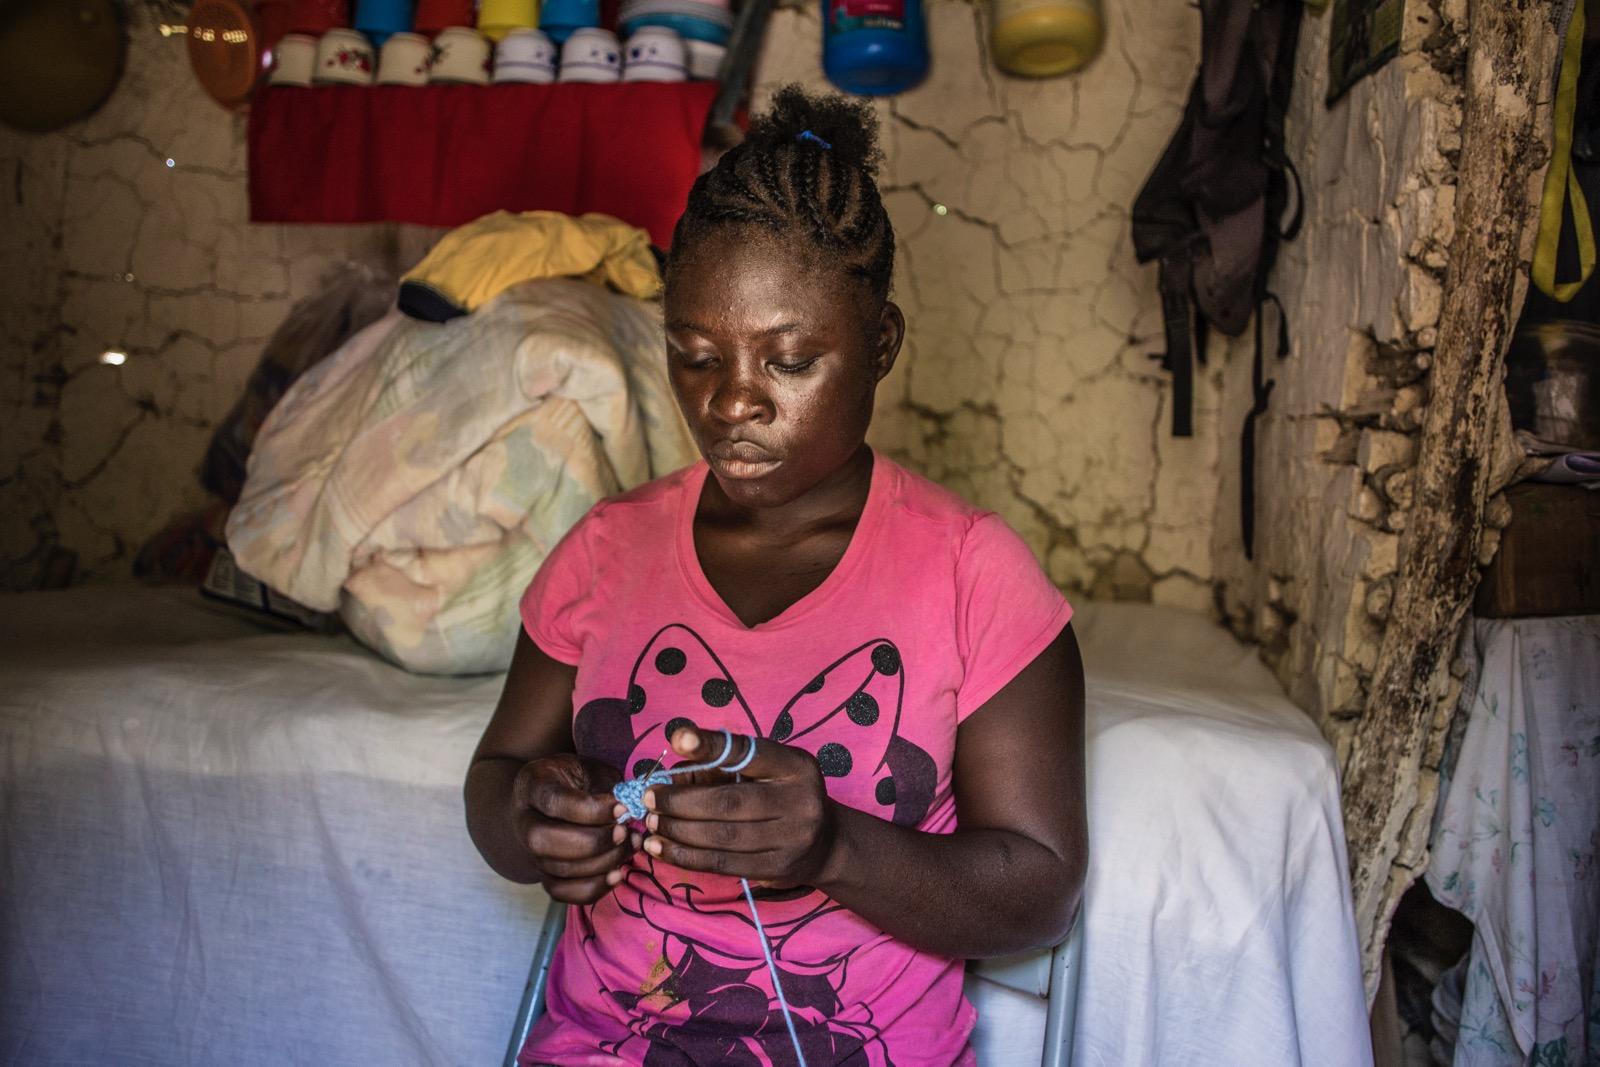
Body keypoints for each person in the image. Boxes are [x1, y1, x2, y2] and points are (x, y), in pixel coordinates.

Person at [465, 85, 1088, 1067]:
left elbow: (1038, 886)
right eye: (696, 356)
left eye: (790, 360)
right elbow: (498, 782)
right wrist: (535, 818)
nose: (734, 401)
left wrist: (834, 845)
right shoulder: (608, 550)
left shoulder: (973, 572)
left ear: (879, 345)